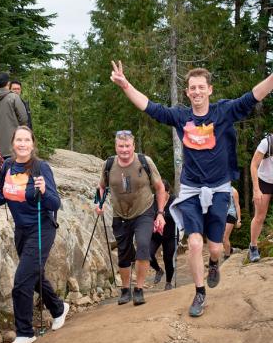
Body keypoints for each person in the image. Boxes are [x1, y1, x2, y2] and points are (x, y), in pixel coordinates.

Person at [110, 60, 273, 317]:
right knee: (196, 243)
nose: (196, 92)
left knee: (215, 247)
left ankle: (215, 263)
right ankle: (199, 293)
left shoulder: (224, 112)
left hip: (219, 189)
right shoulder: (181, 117)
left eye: (200, 87)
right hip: (191, 190)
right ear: (187, 92)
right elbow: (150, 107)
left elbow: (252, 96)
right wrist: (125, 85)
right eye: (191, 88)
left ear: (209, 89)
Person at [0, 126, 69, 343]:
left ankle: (25, 331)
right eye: (18, 140)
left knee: (21, 282)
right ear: (13, 143)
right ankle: (59, 308)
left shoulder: (41, 167)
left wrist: (45, 191)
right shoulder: (7, 166)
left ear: (32, 144)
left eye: (26, 140)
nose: (22, 144)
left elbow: (55, 204)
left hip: (42, 229)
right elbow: (3, 195)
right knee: (34, 275)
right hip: (21, 231)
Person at [96, 130, 166, 306]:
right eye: (121, 146)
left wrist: (160, 213)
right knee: (124, 253)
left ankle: (139, 289)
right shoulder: (109, 164)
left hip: (144, 210)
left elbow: (159, 187)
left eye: (127, 146)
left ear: (133, 146)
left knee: (143, 245)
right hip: (120, 214)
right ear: (116, 146)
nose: (124, 150)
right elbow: (101, 187)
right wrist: (99, 203)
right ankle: (125, 289)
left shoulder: (144, 161)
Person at [0, 73, 28, 159]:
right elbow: (24, 118)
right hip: (12, 143)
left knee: (0, 170)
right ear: (8, 83)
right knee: (12, 170)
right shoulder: (14, 97)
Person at [149, 179, 177, 291]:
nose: (158, 193)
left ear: (167, 191)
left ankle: (169, 282)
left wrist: (163, 214)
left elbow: (177, 215)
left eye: (161, 191)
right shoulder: (153, 200)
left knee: (168, 258)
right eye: (157, 191)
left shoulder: (174, 200)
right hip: (155, 234)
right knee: (147, 253)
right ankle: (158, 270)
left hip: (170, 234)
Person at [249, 135, 273, 262]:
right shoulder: (267, 142)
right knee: (260, 216)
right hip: (264, 181)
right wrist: (256, 190)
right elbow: (253, 165)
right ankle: (253, 247)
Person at [222, 187, 241, 260]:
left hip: (230, 214)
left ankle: (227, 257)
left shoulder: (234, 191)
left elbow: (237, 205)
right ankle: (231, 250)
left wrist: (239, 219)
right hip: (221, 215)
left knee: (224, 237)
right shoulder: (219, 189)